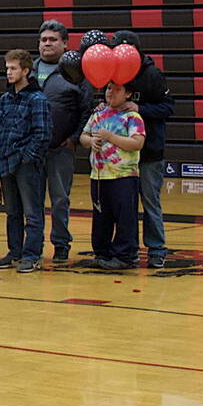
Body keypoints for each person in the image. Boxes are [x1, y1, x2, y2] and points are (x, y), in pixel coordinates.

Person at [111, 33, 176, 269]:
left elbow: (168, 108)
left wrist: (141, 108)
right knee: (123, 204)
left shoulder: (152, 75)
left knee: (150, 201)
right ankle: (127, 249)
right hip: (120, 152)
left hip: (149, 151)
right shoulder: (113, 73)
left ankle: (157, 248)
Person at [0, 50, 52, 272]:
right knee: (12, 211)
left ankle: (32, 254)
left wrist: (27, 158)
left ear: (26, 71)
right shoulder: (6, 99)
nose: (9, 72)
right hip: (6, 162)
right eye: (7, 68)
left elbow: (43, 134)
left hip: (26, 165)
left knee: (32, 212)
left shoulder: (38, 99)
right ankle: (14, 251)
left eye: (13, 68)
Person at [77, 77, 146, 270]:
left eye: (117, 89)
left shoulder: (132, 117)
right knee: (101, 218)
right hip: (99, 175)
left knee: (125, 217)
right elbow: (84, 135)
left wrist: (111, 137)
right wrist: (91, 142)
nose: (110, 92)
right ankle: (102, 253)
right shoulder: (98, 114)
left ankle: (125, 256)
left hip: (123, 175)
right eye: (108, 88)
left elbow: (137, 143)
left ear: (128, 94)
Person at [33, 22, 85, 265]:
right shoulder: (28, 69)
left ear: (65, 43)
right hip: (31, 149)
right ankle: (32, 247)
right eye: (43, 39)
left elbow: (86, 110)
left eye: (52, 39)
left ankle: (61, 244)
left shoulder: (76, 72)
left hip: (60, 149)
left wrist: (74, 139)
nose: (47, 44)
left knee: (60, 199)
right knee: (31, 200)